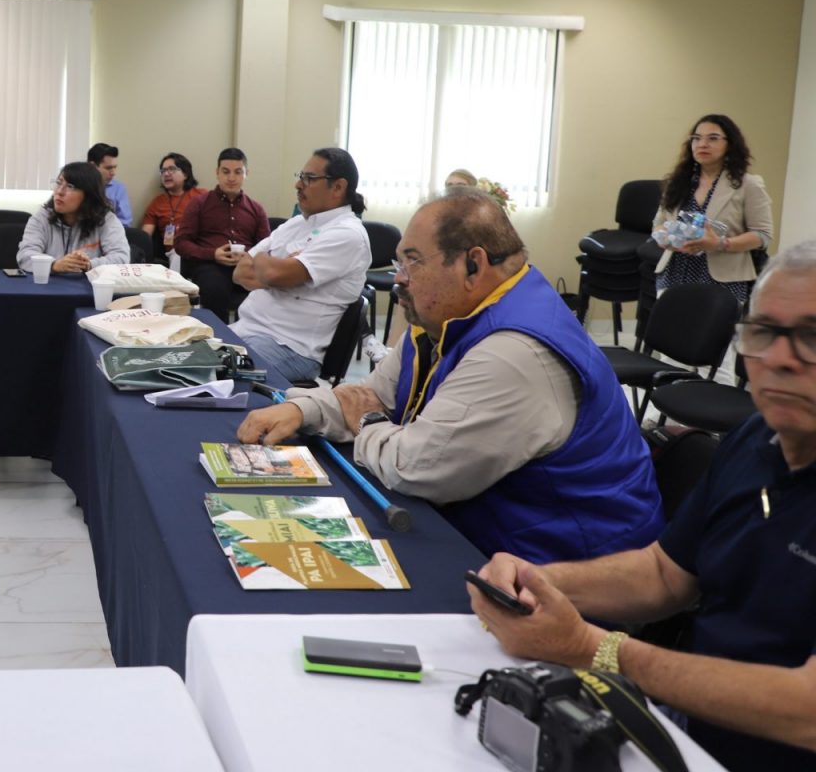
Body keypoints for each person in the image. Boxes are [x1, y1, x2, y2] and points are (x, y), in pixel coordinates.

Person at [470, 241, 816, 772]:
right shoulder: (755, 439)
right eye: (764, 332)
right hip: (686, 730)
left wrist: (592, 647)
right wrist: (537, 581)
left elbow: (806, 711)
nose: (780, 359)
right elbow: (664, 574)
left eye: (812, 337)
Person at [236, 188, 662, 564]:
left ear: (473, 265)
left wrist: (366, 422)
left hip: (565, 575)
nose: (399, 279)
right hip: (488, 537)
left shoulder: (514, 353)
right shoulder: (446, 316)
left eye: (413, 262)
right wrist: (304, 409)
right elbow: (374, 394)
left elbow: (415, 467)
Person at [229, 148, 371, 384]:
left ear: (338, 187)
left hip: (288, 347)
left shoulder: (348, 234)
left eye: (310, 178)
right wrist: (282, 269)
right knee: (182, 358)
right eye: (301, 176)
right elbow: (241, 272)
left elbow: (270, 272)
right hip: (246, 329)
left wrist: (266, 262)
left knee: (210, 375)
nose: (298, 185)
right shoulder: (296, 223)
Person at [653, 113, 773, 305]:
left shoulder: (748, 184)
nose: (702, 144)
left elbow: (762, 235)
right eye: (696, 138)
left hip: (725, 278)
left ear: (730, 145)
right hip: (674, 272)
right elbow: (659, 223)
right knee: (672, 324)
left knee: (715, 325)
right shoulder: (678, 182)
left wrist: (720, 243)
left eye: (713, 138)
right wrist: (666, 238)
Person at [174, 148, 269, 318]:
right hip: (210, 265)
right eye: (226, 172)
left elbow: (266, 246)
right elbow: (181, 243)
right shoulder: (199, 203)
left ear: (246, 174)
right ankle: (219, 332)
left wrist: (248, 255)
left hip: (246, 266)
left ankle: (246, 332)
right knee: (214, 287)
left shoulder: (256, 209)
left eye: (238, 172)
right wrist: (213, 254)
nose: (231, 178)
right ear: (217, 173)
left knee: (262, 291)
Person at [17, 161, 131, 272]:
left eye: (70, 186)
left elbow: (121, 258)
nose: (59, 192)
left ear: (89, 195)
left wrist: (88, 264)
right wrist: (54, 265)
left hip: (89, 283)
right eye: (59, 183)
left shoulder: (106, 219)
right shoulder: (43, 217)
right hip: (50, 282)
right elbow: (25, 255)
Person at [139, 152, 206, 265]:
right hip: (175, 253)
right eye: (163, 171)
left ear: (185, 174)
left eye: (172, 169)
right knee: (177, 255)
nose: (166, 174)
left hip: (200, 247)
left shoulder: (201, 196)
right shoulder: (157, 203)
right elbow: (144, 236)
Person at [88, 142, 133, 225]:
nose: (113, 173)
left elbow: (125, 222)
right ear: (93, 166)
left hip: (112, 231)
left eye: (115, 167)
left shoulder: (118, 188)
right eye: (108, 168)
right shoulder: (79, 186)